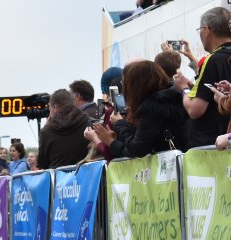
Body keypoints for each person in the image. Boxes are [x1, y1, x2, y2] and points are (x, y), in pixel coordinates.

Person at [89, 60, 188, 158]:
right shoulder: (177, 98)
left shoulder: (151, 109)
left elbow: (136, 150)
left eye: (125, 84)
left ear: (135, 86)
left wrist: (119, 126)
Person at [174, 7, 231, 148]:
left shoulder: (212, 60)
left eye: (200, 29)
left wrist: (184, 89)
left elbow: (195, 109)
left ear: (207, 29)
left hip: (214, 144)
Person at [37, 89, 90, 169]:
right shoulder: (88, 123)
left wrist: (45, 128)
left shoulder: (46, 132)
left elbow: (42, 164)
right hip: (87, 178)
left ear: (55, 107)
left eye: (50, 108)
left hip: (59, 179)